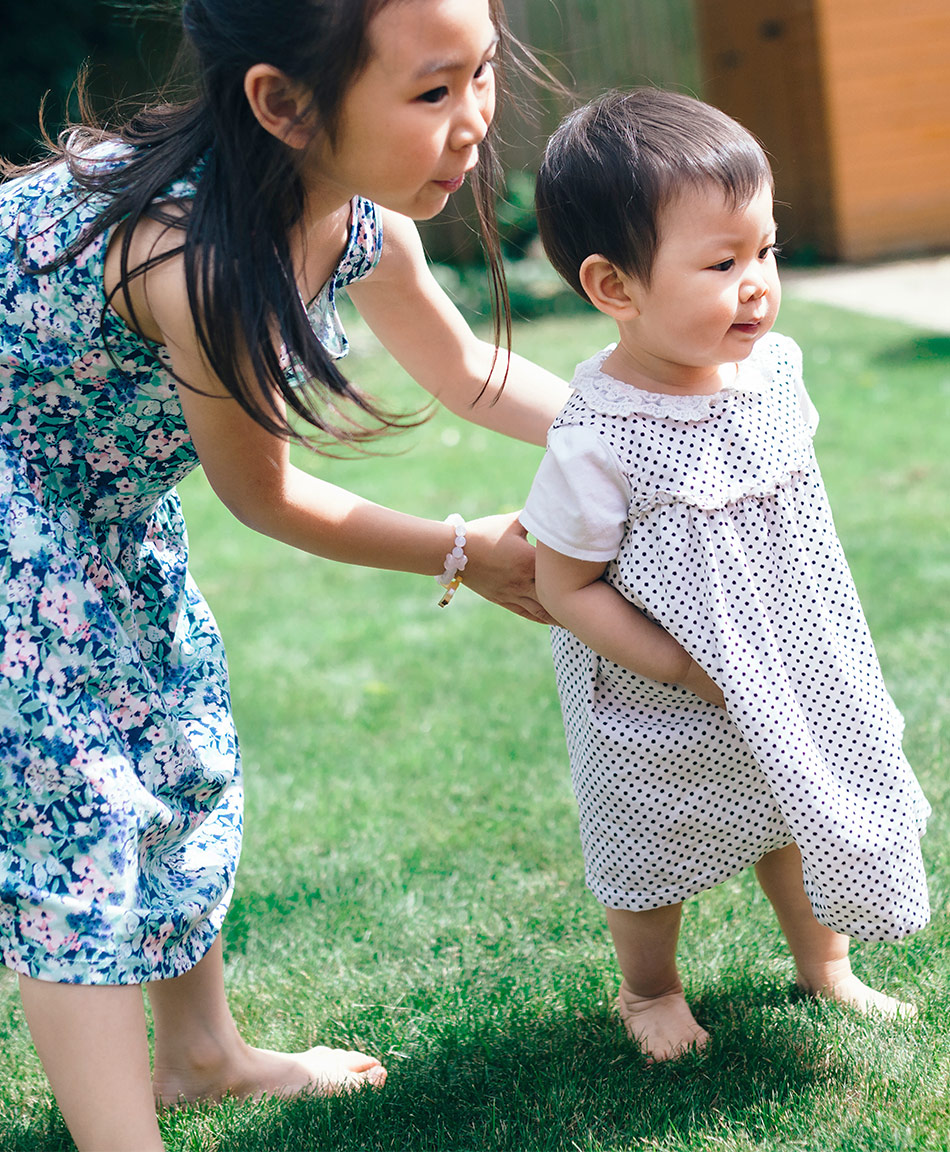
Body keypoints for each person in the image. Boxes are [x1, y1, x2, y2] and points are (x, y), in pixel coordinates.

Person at [0, 0, 572, 1147]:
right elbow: (263, 497)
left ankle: (203, 1054)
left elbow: (468, 373)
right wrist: (463, 550)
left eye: (482, 75)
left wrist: (657, 436)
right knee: (85, 816)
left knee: (182, 752)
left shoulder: (354, 218)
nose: (472, 123)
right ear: (283, 104)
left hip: (96, 506)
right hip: (21, 509)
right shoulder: (196, 257)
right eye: (429, 91)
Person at [520, 88, 931, 1064]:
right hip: (655, 694)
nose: (756, 282)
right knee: (646, 852)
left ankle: (822, 963)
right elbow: (563, 585)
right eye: (720, 262)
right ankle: (648, 988)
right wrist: (673, 663)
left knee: (797, 802)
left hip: (782, 659)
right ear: (613, 288)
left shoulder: (771, 372)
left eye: (766, 251)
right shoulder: (599, 442)